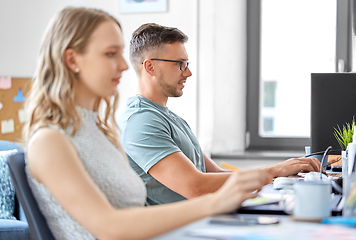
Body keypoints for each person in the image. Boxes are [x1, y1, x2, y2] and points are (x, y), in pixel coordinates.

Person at [23, 7, 273, 240]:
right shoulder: (49, 141)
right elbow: (109, 227)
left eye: (120, 54)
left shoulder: (100, 131)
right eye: (110, 54)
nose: (123, 65)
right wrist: (215, 203)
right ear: (72, 60)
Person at [118, 23, 322, 205]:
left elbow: (216, 176)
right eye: (179, 64)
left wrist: (278, 176)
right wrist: (274, 171)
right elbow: (195, 187)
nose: (187, 72)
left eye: (187, 64)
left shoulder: (171, 119)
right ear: (150, 67)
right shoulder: (141, 121)